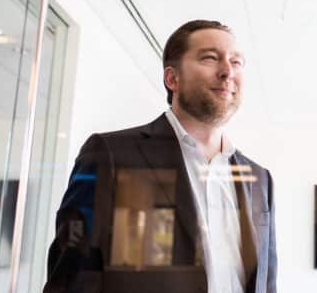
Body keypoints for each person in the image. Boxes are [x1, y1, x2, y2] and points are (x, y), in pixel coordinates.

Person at [44, 20, 277, 293]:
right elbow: (71, 279)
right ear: (172, 79)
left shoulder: (259, 179)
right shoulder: (110, 155)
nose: (227, 71)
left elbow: (266, 282)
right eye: (210, 58)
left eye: (236, 62)